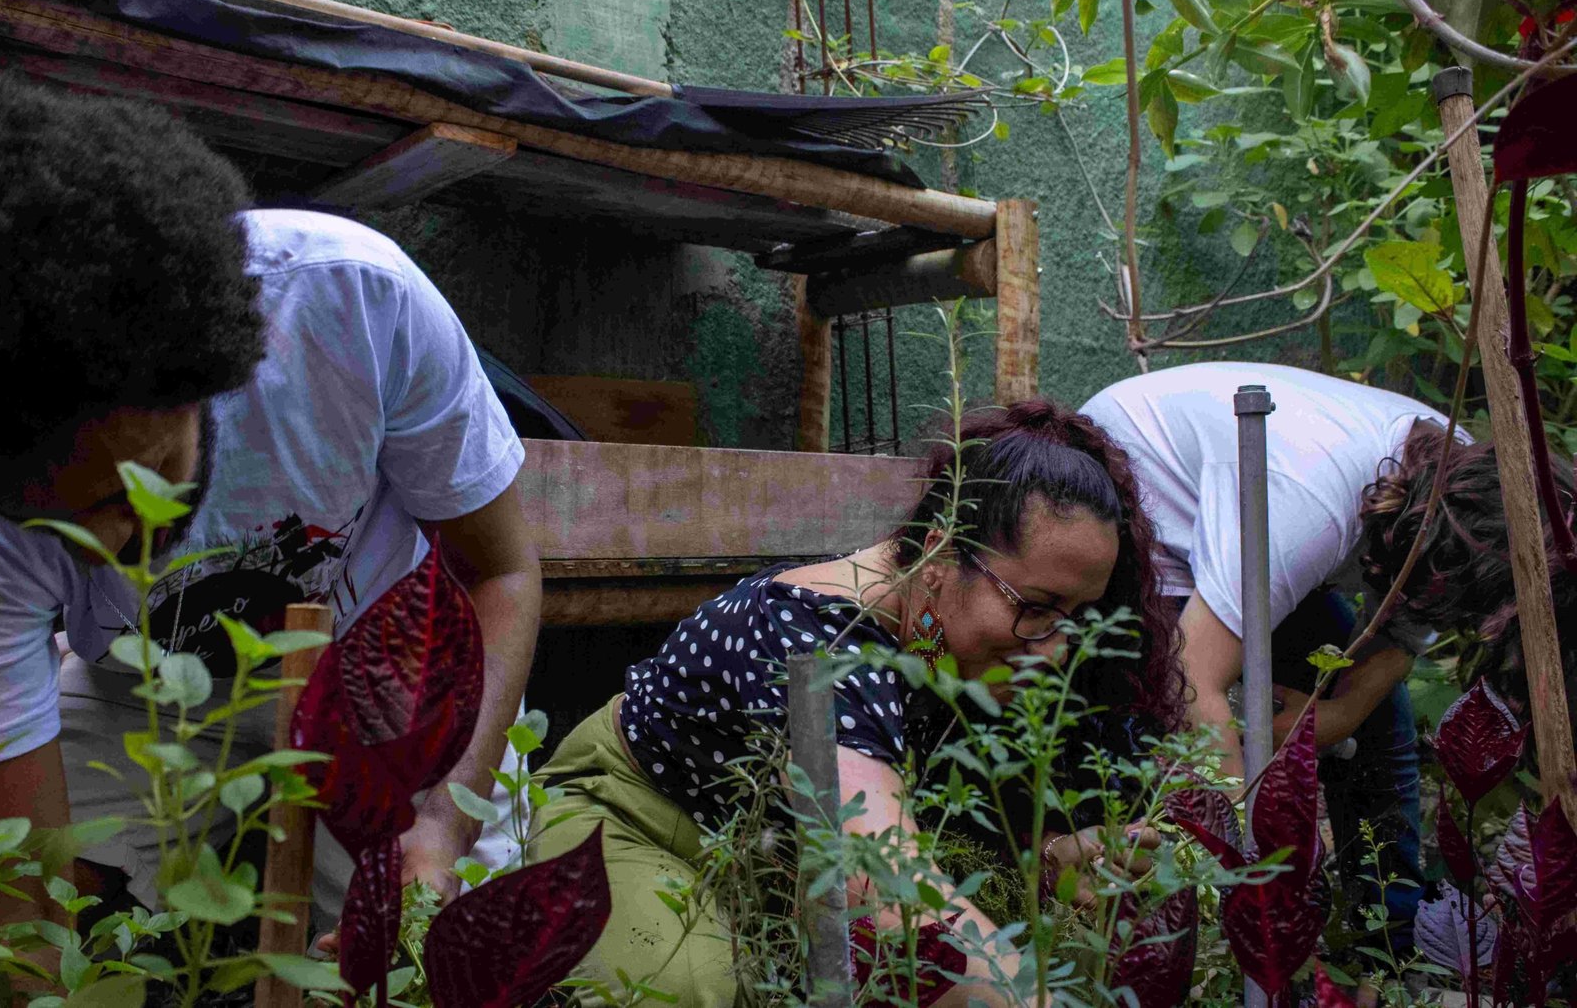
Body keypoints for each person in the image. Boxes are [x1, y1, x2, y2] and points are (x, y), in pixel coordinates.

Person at [0, 77, 542, 933]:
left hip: (384, 701)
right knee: (47, 895)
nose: (104, 547)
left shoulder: (350, 302)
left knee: (443, 944)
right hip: (145, 696)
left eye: (125, 493)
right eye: (53, 518)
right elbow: (19, 899)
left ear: (202, 373)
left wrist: (443, 820)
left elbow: (501, 570)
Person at [523, 400, 1186, 1006]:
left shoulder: (948, 641)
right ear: (940, 555)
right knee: (701, 990)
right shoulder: (815, 638)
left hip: (774, 869)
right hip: (632, 826)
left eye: (1077, 618)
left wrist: (1046, 862)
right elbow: (887, 888)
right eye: (1037, 608)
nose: (1057, 651)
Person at [1080, 360, 1555, 944]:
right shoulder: (1307, 507)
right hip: (1141, 491)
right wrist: (1254, 882)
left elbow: (1398, 637)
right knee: (1166, 711)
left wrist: (1335, 716)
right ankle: (1171, 925)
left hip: (1257, 499)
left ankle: (1392, 934)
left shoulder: (1472, 492)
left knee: (1383, 722)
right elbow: (1192, 679)